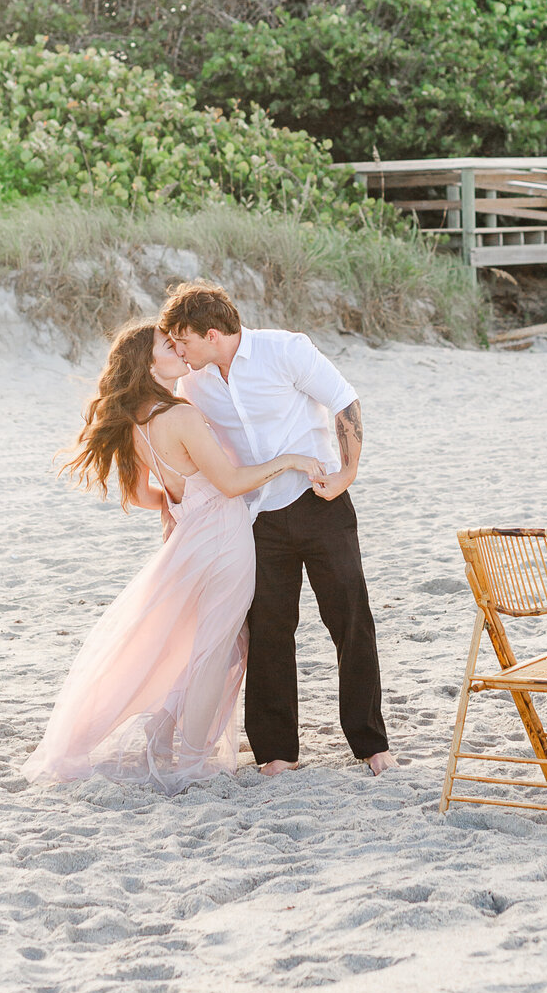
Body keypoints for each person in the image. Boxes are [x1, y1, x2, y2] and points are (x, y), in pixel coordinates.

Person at [22, 320, 324, 794]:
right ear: (148, 362)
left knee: (210, 643)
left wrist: (178, 499)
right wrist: (290, 460)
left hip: (190, 540)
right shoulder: (180, 415)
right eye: (169, 346)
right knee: (217, 647)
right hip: (224, 540)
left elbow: (144, 493)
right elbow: (230, 482)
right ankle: (193, 759)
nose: (180, 350)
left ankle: (163, 731)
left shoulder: (137, 420)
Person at [158, 282, 395, 779]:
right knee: (268, 630)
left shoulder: (285, 350)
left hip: (319, 500)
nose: (180, 351)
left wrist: (347, 473)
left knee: (350, 619)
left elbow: (344, 401)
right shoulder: (194, 383)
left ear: (214, 333)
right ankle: (277, 751)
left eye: (185, 341)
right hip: (255, 516)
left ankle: (371, 743)